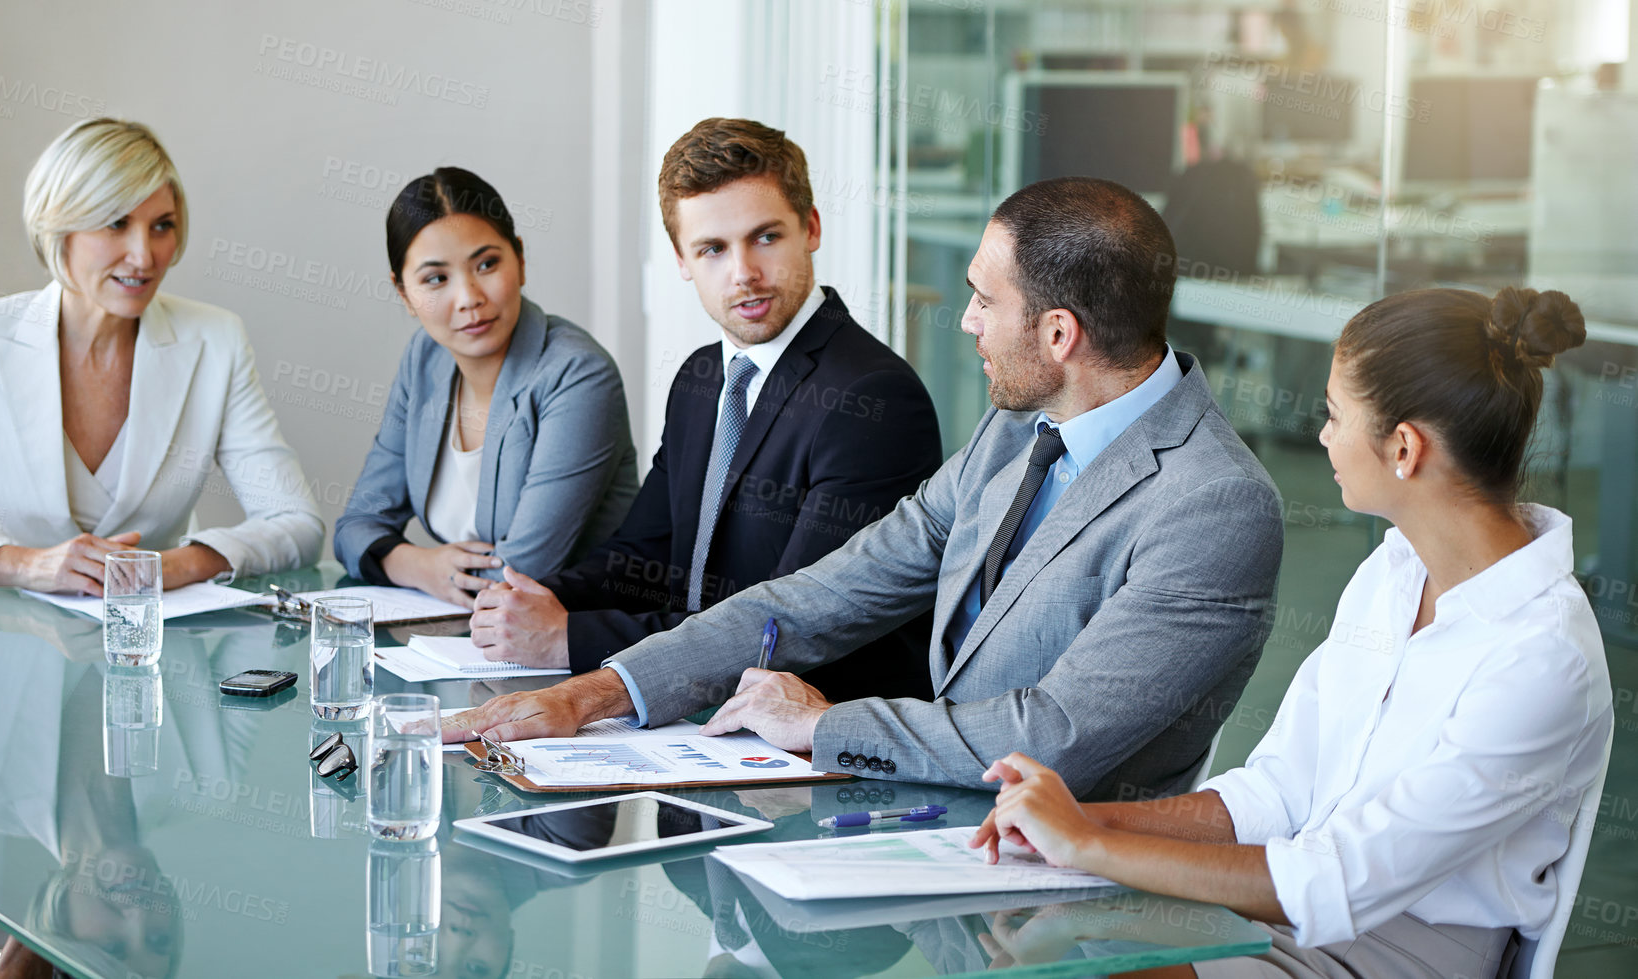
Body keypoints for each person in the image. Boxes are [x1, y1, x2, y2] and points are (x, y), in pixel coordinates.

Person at [444, 176, 1287, 800]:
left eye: (981, 300)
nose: (965, 322)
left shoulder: (1212, 503)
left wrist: (818, 727)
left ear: (1058, 333)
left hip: (1074, 892)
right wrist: (597, 691)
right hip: (935, 832)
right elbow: (824, 594)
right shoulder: (1014, 432)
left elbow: (1050, 737)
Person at [968, 286, 1612, 979]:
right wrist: (1077, 821)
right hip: (1274, 907)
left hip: (1399, 949)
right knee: (1029, 948)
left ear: (1404, 446)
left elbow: (1341, 881)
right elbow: (1275, 793)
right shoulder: (1393, 570)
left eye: (1334, 415)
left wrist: (1085, 845)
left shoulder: (1542, 657)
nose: (1322, 436)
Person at [462, 118, 942, 703]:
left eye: (766, 237)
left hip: (808, 743)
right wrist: (540, 598)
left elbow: (786, 631)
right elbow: (645, 554)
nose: (743, 273)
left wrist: (568, 637)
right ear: (682, 260)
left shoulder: (874, 397)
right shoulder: (702, 374)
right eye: (713, 248)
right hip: (699, 715)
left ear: (810, 228)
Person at [0, 118, 323, 593]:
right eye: (116, 224)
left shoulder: (216, 341)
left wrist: (173, 565)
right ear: (58, 226)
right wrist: (25, 565)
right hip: (6, 642)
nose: (144, 256)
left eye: (162, 226)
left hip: (154, 648)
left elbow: (297, 522)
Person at [333, 168, 638, 605]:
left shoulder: (578, 374)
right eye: (436, 278)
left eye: (487, 264)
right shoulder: (425, 359)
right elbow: (355, 526)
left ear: (521, 261)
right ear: (404, 294)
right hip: (459, 638)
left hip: (576, 645)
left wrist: (422, 567)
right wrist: (421, 566)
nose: (469, 297)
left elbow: (521, 573)